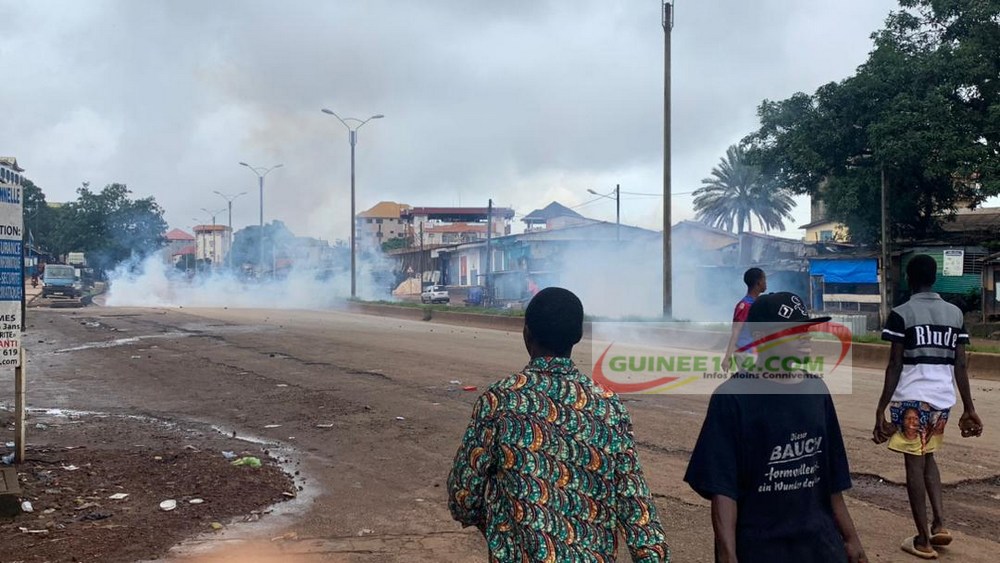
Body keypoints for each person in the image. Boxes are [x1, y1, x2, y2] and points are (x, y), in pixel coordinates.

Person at [448, 287, 670, 562]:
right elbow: (636, 507)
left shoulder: (499, 402)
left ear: (526, 333)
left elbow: (463, 496)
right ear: (577, 336)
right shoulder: (608, 406)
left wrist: (496, 521)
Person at [685, 292, 867, 563]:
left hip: (820, 546)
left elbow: (830, 479)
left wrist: (851, 539)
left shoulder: (816, 390)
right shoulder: (733, 397)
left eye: (806, 329)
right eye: (793, 331)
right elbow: (723, 489)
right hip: (761, 548)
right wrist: (727, 554)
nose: (805, 337)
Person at [873, 254, 983, 559]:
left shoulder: (901, 313)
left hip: (911, 399)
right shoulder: (955, 314)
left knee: (914, 466)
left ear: (909, 279)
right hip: (941, 400)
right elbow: (960, 364)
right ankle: (939, 523)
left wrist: (881, 408)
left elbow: (895, 364)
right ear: (934, 278)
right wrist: (969, 407)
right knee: (929, 456)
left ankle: (922, 540)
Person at [722, 268, 767, 372]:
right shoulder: (745, 306)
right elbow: (736, 332)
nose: (766, 283)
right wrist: (727, 357)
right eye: (764, 279)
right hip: (746, 353)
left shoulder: (757, 304)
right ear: (759, 283)